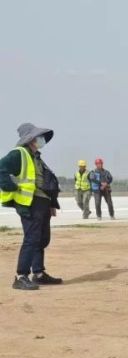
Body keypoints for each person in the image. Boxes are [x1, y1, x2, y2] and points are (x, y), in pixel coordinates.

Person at [0, 123, 62, 290]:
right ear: (30, 139)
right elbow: (1, 168)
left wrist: (51, 203)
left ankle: (39, 274)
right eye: (38, 136)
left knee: (42, 239)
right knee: (32, 239)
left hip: (42, 203)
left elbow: (45, 182)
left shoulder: (36, 157)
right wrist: (10, 187)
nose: (41, 139)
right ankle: (21, 276)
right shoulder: (18, 153)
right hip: (30, 203)